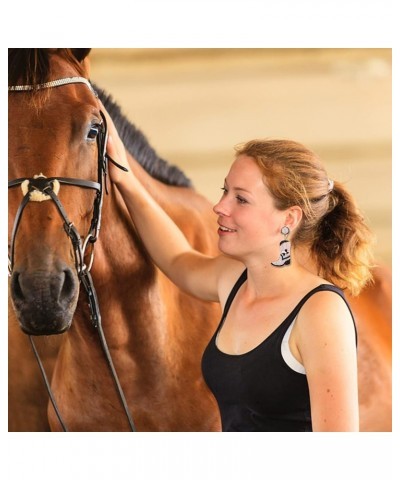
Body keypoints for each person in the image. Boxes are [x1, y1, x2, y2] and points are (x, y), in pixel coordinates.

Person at [102, 106, 374, 432]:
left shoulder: (320, 311)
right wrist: (126, 179)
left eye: (240, 199)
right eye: (224, 191)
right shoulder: (232, 280)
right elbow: (177, 259)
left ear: (289, 219)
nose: (219, 207)